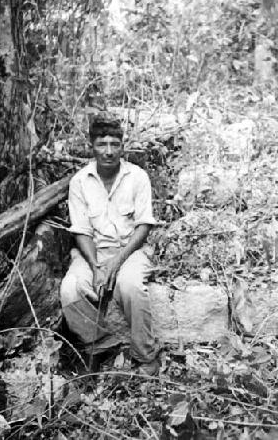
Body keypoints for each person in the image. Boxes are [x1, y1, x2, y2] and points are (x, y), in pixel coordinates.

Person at [60, 114, 159, 374]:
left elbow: (144, 226)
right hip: (92, 252)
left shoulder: (137, 177)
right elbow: (81, 231)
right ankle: (103, 347)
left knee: (130, 286)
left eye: (115, 144)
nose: (108, 151)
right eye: (102, 144)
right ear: (92, 147)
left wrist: (117, 261)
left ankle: (146, 355)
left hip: (132, 250)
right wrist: (95, 266)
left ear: (122, 146)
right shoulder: (79, 182)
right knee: (71, 289)